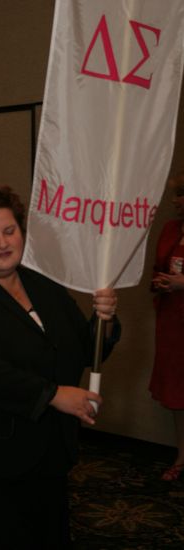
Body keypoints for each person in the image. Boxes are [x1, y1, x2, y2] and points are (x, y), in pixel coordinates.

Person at [0, 183, 120, 549]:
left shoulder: (42, 282)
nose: (1, 243)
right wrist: (52, 395)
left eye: (9, 231)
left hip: (47, 448)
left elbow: (80, 347)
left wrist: (104, 321)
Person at [150, 171, 184, 481]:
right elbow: (158, 266)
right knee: (177, 393)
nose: (175, 200)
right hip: (173, 322)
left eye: (181, 194)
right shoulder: (171, 229)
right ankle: (181, 456)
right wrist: (160, 282)